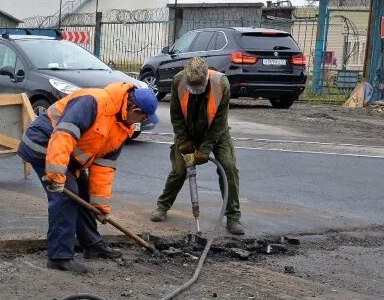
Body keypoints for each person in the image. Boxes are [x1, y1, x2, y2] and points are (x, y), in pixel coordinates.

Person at [17, 83, 159, 273]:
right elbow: (63, 136)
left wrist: (100, 207)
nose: (139, 122)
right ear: (135, 109)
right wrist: (56, 175)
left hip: (68, 158)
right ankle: (60, 256)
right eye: (143, 117)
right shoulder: (93, 103)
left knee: (84, 194)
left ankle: (92, 245)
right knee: (67, 196)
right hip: (43, 146)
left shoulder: (122, 127)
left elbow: (104, 167)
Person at [150, 56, 244, 235]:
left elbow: (219, 122)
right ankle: (162, 206)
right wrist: (183, 140)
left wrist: (205, 149)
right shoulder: (178, 81)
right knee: (179, 170)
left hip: (217, 133)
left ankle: (233, 217)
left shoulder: (221, 84)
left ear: (206, 76)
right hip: (188, 132)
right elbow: (176, 115)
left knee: (229, 167)